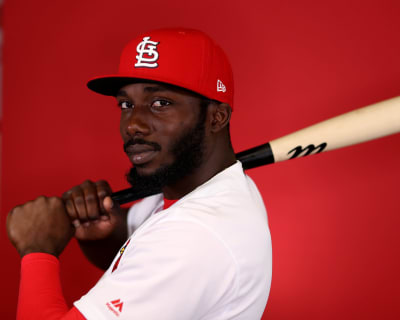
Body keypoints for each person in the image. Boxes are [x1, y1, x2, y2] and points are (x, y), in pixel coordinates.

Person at [6, 28, 272, 320]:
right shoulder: (213, 190)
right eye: (126, 104)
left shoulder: (193, 235)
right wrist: (106, 234)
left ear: (216, 116)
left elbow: (169, 255)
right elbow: (142, 256)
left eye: (160, 103)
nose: (132, 124)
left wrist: (38, 250)